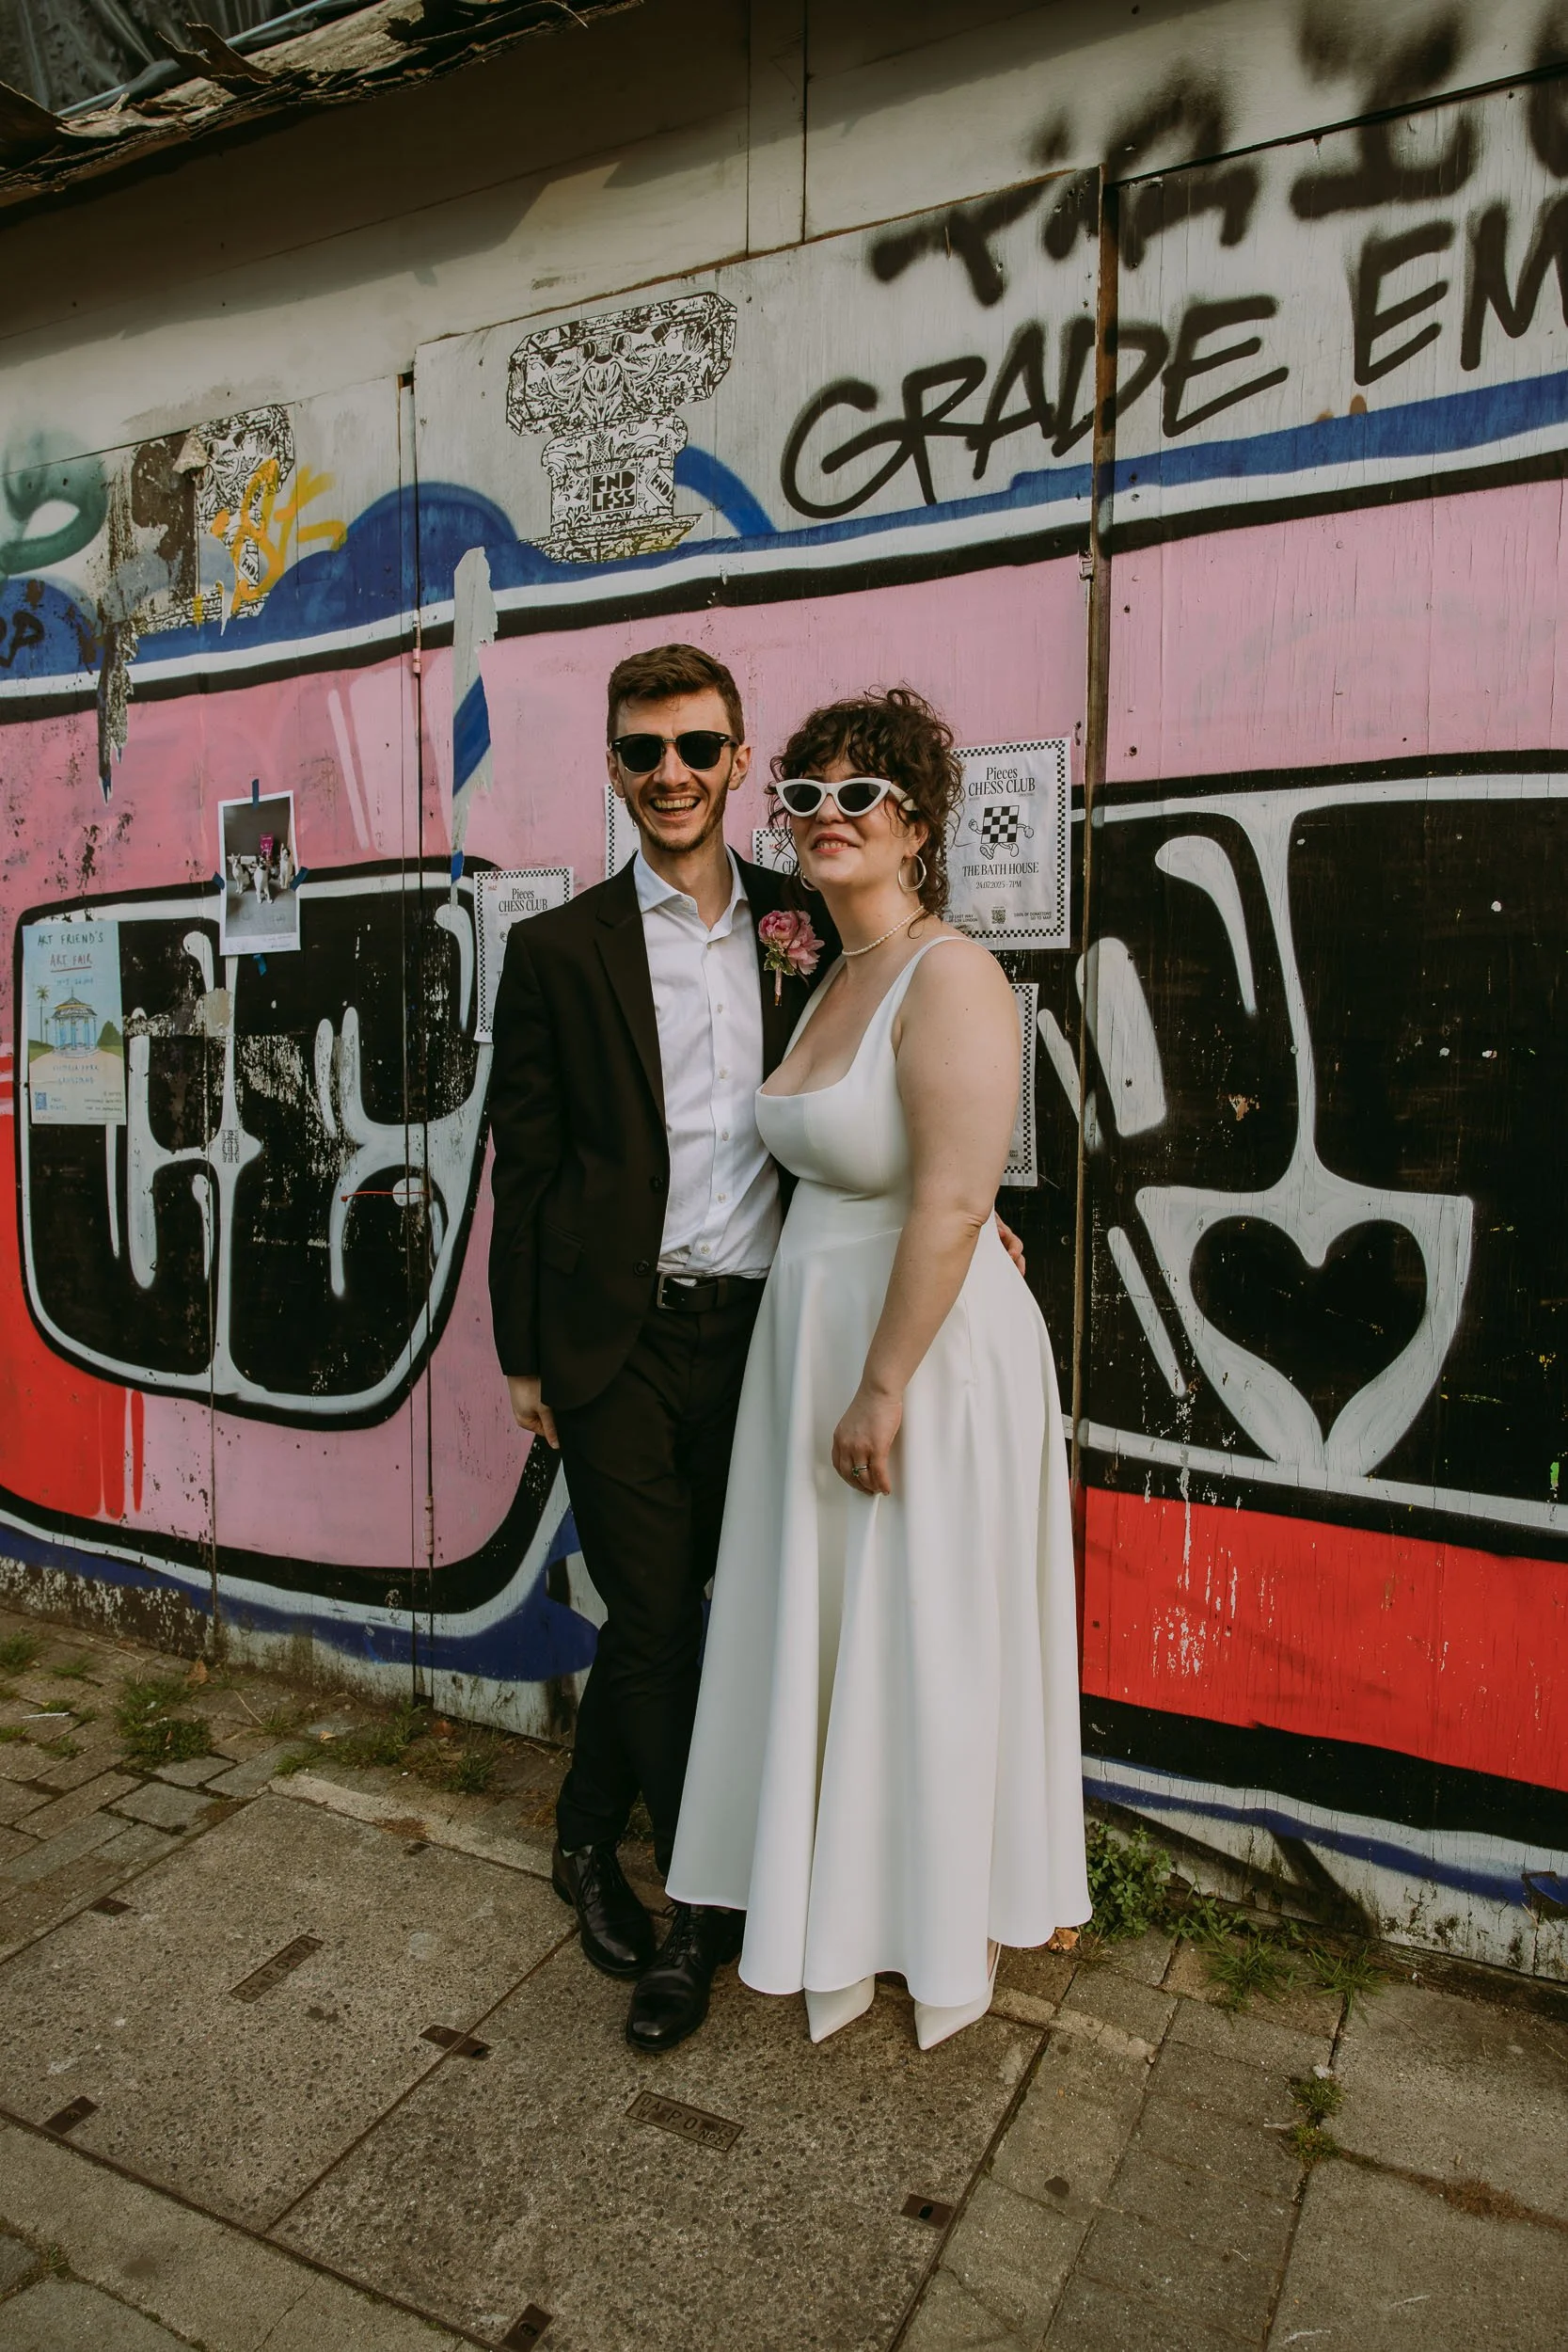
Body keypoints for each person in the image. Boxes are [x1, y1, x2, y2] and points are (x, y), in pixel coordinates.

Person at [666, 687, 1089, 2049]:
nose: (828, 817)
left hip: (918, 1354)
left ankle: (923, 1922)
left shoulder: (949, 971)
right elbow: (890, 1165)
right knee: (843, 1631)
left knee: (920, 1634)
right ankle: (837, 1907)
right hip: (824, 1328)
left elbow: (954, 1204)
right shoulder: (827, 974)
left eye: (862, 794)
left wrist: (884, 1382)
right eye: (804, 796)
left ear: (916, 820)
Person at [486, 644, 841, 2054]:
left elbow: (880, 1086)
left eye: (697, 747)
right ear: (614, 768)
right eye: (643, 752)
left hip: (762, 1330)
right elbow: (525, 1162)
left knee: (709, 1613)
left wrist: (967, 1215)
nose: (671, 774)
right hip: (613, 1339)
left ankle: (581, 1836)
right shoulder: (555, 950)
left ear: (740, 759)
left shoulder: (805, 925)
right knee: (652, 1615)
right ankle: (695, 1918)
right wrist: (524, 1353)